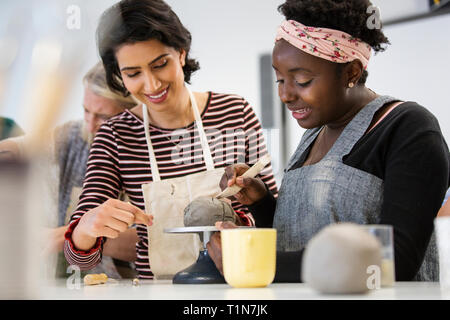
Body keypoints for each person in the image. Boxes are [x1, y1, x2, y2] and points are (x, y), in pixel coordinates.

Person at [208, 0, 450, 282]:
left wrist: (258, 263)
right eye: (279, 80)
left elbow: (394, 260)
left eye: (301, 81)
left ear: (351, 73)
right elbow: (295, 236)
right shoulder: (314, 133)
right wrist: (261, 201)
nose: (285, 95)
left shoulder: (408, 128)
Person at [63, 0, 277, 279]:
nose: (151, 85)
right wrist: (87, 227)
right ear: (118, 74)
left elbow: (275, 222)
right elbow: (77, 256)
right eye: (133, 73)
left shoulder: (235, 113)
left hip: (237, 284)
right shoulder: (115, 136)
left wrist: (248, 213)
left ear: (181, 53)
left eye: (160, 64)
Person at [0, 62, 139, 279]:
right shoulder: (74, 136)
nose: (91, 125)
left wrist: (66, 236)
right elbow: (20, 148)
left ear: (134, 112)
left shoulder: (150, 153)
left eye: (103, 117)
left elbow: (152, 242)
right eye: (86, 110)